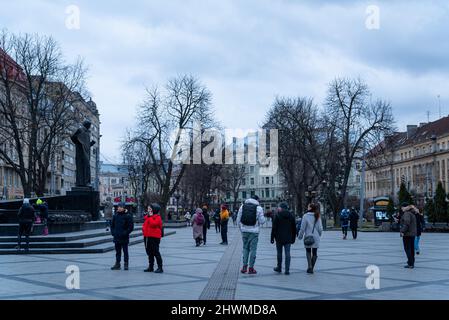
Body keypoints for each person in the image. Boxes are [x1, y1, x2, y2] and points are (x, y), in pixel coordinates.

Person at [237, 195, 266, 275]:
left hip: (244, 231)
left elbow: (238, 219)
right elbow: (262, 221)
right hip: (254, 232)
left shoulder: (242, 206)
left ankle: (244, 267)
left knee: (245, 248)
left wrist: (241, 229)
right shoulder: (259, 208)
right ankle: (251, 268)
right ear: (257, 200)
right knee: (253, 249)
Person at [271, 202, 296, 275]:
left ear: (281, 208)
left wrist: (272, 238)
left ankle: (279, 267)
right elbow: (294, 228)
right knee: (287, 253)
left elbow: (274, 228)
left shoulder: (277, 215)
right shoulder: (291, 216)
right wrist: (293, 238)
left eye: (279, 207)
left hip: (279, 238)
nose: (278, 208)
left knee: (279, 253)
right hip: (288, 238)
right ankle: (287, 270)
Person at [298, 203, 323, 274]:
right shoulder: (317, 215)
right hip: (316, 237)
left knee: (308, 251)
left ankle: (309, 267)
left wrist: (300, 236)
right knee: (315, 252)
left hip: (308, 237)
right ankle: (311, 267)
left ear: (310, 208)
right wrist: (319, 235)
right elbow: (320, 228)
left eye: (308, 206)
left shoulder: (305, 216)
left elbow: (302, 228)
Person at [110, 202, 134, 271]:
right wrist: (113, 233)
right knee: (118, 252)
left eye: (121, 207)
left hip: (124, 237)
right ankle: (117, 264)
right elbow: (112, 226)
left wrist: (125, 233)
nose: (119, 208)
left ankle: (126, 264)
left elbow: (131, 227)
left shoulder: (128, 216)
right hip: (117, 236)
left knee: (125, 251)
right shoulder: (115, 215)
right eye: (118, 207)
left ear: (124, 208)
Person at [142, 203, 164, 273]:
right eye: (148, 209)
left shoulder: (157, 217)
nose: (148, 210)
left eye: (150, 209)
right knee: (149, 252)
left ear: (154, 210)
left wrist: (150, 217)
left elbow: (153, 224)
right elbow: (145, 225)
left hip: (154, 237)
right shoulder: (147, 217)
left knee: (156, 252)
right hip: (147, 236)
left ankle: (160, 267)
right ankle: (150, 267)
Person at [400, 202, 418, 269]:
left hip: (407, 234)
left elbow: (406, 223)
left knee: (407, 249)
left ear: (405, 207)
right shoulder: (412, 213)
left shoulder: (407, 213)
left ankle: (410, 263)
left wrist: (402, 231)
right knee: (411, 249)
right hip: (412, 234)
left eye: (402, 207)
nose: (401, 209)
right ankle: (411, 263)